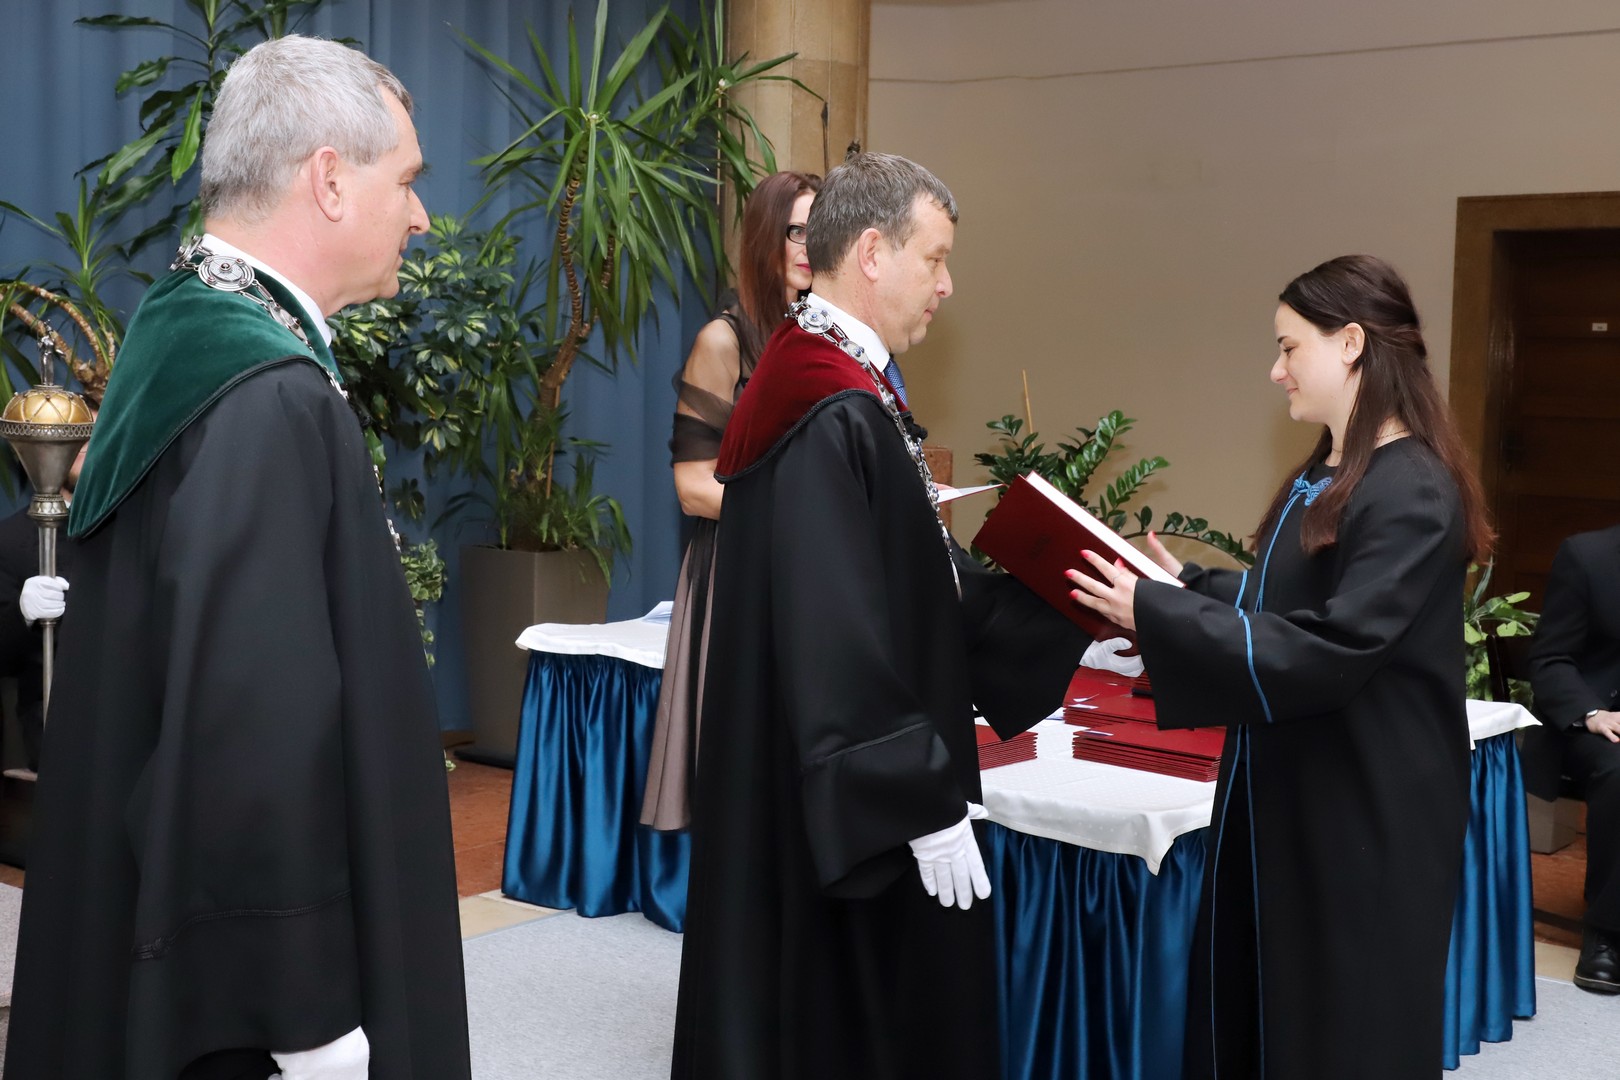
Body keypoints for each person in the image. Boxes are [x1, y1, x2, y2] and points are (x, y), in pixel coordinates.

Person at [4, 36, 471, 1080]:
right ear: (329, 179)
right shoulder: (264, 396)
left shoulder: (184, 328)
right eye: (407, 180)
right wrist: (303, 1013)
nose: (421, 216)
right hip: (255, 1007)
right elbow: (253, 721)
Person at [669, 152, 1092, 1080]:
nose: (947, 284)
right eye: (935, 258)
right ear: (871, 252)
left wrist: (1084, 608)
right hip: (848, 804)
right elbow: (834, 627)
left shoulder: (830, 379)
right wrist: (914, 796)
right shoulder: (829, 404)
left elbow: (914, 583)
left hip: (814, 772)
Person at [1068, 254, 1494, 1080]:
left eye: (1290, 347)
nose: (1276, 369)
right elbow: (1289, 600)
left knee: (1341, 1022)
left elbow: (1335, 645)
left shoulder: (1412, 487)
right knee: (1269, 1004)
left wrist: (1158, 614)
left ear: (1351, 344)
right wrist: (1188, 588)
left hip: (1366, 807)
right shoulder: (1330, 470)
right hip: (1296, 788)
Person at [641, 170, 821, 831]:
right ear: (765, 237)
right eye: (796, 231)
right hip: (739, 568)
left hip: (807, 567)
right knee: (743, 772)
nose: (810, 246)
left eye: (820, 231)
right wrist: (797, 512)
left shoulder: (824, 339)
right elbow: (693, 487)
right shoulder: (723, 340)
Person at [1524, 524, 1620, 994]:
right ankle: (1607, 934)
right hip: (1596, 720)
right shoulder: (1588, 556)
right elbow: (1550, 658)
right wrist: (1593, 713)